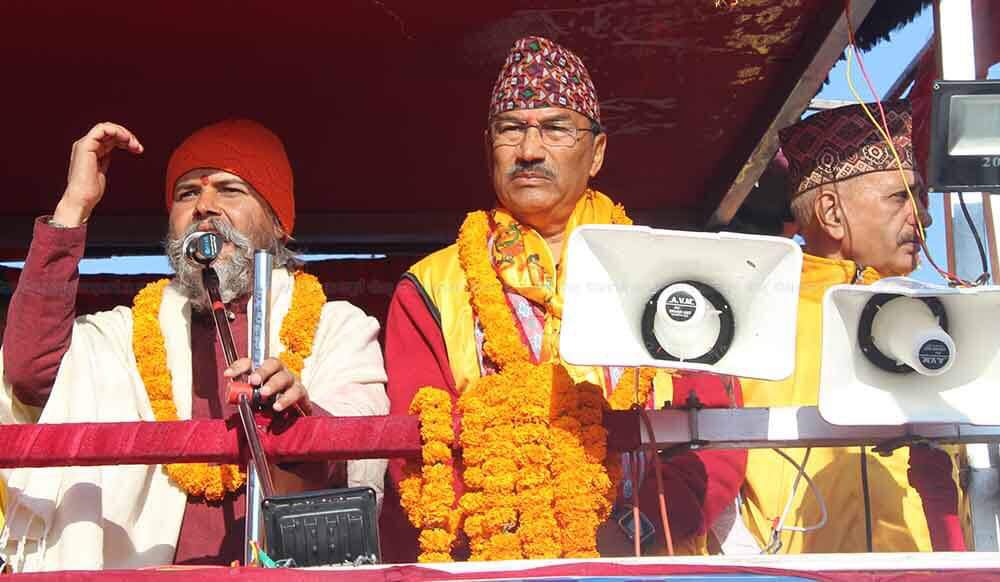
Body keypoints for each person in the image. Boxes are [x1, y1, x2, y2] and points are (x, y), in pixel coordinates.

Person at [381, 36, 746, 562]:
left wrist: (637, 528)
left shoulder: (669, 270)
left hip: (649, 558)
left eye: (555, 128)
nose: (530, 151)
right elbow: (416, 442)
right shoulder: (431, 286)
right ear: (489, 149)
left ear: (596, 152)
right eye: (512, 130)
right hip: (492, 554)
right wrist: (505, 531)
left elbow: (717, 428)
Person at [0, 120, 389, 571]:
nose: (205, 206)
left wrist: (301, 416)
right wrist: (74, 206)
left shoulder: (336, 327)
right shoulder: (121, 338)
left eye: (229, 190)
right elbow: (28, 373)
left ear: (279, 223)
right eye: (187, 194)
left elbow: (361, 459)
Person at [739, 101, 965, 553]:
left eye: (919, 197)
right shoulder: (753, 319)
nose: (924, 217)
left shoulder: (938, 323)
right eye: (901, 197)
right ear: (831, 213)